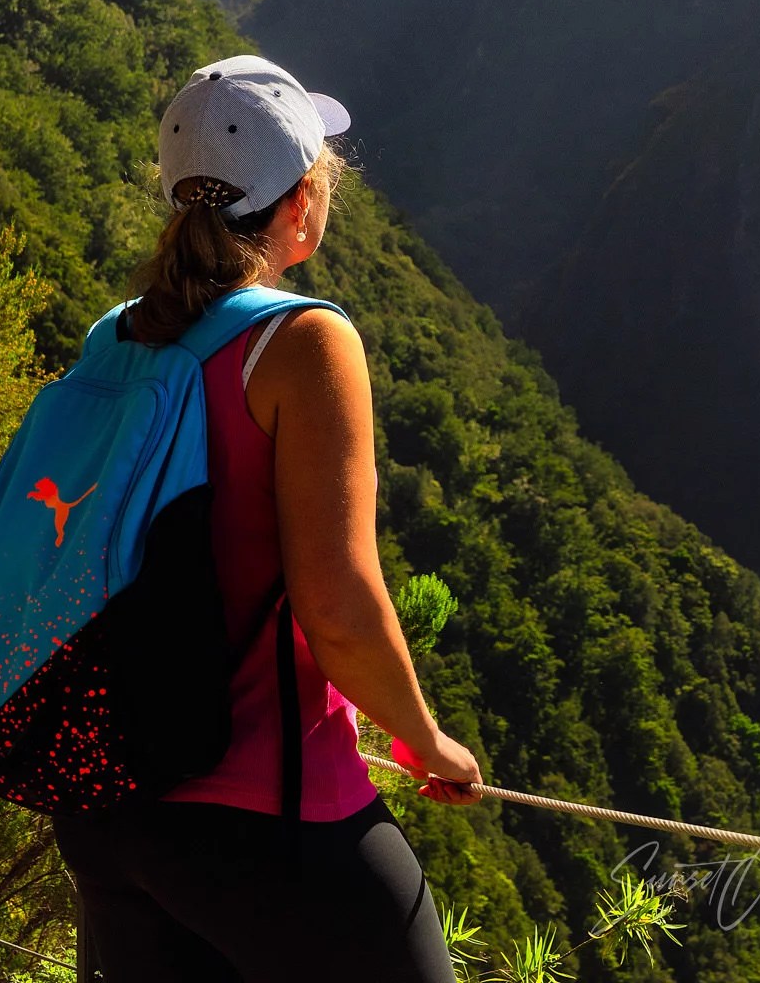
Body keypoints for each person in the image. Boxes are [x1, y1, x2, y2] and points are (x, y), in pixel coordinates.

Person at [54, 54, 483, 983]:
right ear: (301, 205)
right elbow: (337, 607)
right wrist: (425, 740)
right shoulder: (302, 343)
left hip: (107, 804)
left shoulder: (117, 335)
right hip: (267, 810)